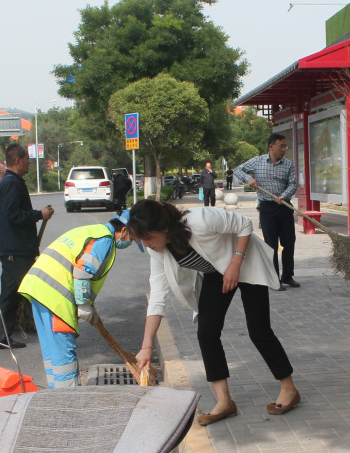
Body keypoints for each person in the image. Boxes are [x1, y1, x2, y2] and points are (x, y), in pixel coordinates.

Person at [128, 200, 299, 425]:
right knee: (206, 332)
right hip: (216, 271)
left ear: (164, 228)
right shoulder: (158, 251)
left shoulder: (200, 220)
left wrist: (235, 264)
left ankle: (289, 389)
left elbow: (244, 225)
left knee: (259, 330)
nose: (146, 244)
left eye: (148, 237)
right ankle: (224, 402)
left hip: (245, 260)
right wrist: (146, 346)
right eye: (142, 240)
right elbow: (158, 296)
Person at [18, 211, 134, 387]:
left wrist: (89, 305)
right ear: (124, 230)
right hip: (56, 297)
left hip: (39, 289)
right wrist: (83, 304)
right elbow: (82, 272)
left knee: (52, 352)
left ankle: (55, 395)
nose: (131, 242)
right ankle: (69, 400)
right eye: (132, 238)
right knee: (63, 352)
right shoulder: (104, 240)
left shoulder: (93, 231)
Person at [0, 142, 53, 348]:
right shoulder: (12, 183)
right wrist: (39, 215)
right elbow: (12, 215)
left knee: (9, 296)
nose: (29, 162)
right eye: (27, 159)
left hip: (13, 249)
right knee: (36, 291)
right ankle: (54, 334)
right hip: (15, 250)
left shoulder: (11, 181)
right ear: (18, 160)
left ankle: (0, 339)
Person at [234, 134, 299, 288]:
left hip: (284, 206)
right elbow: (238, 170)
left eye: (285, 146)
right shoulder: (257, 161)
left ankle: (287, 276)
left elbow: (293, 184)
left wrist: (284, 196)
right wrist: (248, 179)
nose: (284, 149)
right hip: (267, 208)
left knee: (289, 243)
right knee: (271, 245)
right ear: (271, 146)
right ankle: (273, 278)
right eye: (281, 146)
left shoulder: (288, 164)